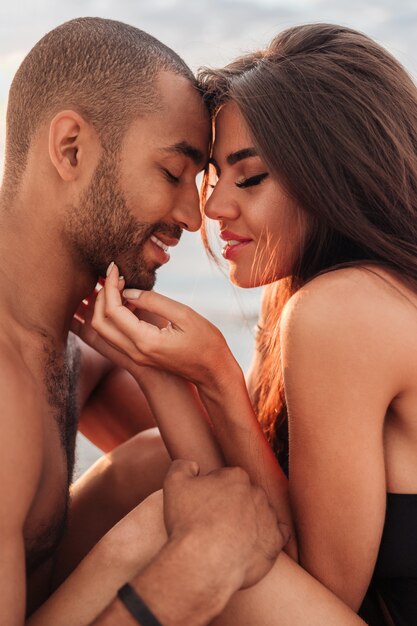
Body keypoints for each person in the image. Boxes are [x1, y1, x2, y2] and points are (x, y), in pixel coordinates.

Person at [86, 23, 417, 625]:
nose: (211, 207)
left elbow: (311, 586)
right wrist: (157, 371)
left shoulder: (342, 310)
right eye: (214, 174)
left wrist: (214, 372)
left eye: (252, 177)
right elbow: (249, 496)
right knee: (150, 461)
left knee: (174, 522)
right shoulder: (319, 293)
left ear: (336, 176)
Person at [0, 15, 289, 625]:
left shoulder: (77, 346)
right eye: (171, 173)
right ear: (70, 148)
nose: (194, 216)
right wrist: (196, 569)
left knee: (166, 469)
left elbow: (247, 506)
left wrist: (194, 373)